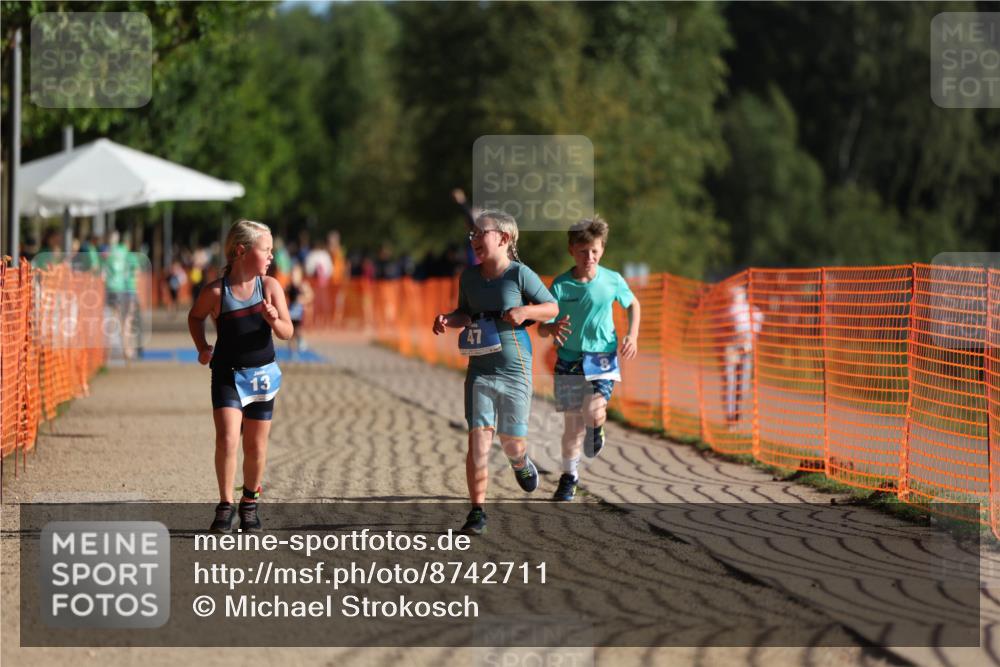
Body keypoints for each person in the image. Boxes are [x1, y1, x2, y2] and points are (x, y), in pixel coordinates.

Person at [432, 210, 559, 535]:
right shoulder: (469, 277)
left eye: (480, 233)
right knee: (478, 442)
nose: (473, 239)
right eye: (471, 235)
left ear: (503, 238)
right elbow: (465, 312)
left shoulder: (519, 274)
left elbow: (552, 307)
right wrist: (448, 319)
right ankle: (477, 511)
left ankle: (520, 462)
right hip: (480, 370)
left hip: (515, 369)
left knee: (511, 442)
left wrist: (525, 311)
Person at [188, 220, 294, 534]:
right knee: (227, 439)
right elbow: (195, 317)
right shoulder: (216, 292)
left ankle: (249, 502)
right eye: (267, 250)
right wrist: (202, 346)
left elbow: (288, 332)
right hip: (227, 374)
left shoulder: (271, 287)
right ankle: (225, 505)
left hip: (262, 376)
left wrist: (274, 321)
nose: (272, 256)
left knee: (256, 447)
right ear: (241, 251)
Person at [538, 216, 641, 502]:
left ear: (602, 250)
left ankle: (597, 428)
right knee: (573, 426)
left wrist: (632, 335)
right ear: (571, 249)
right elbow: (542, 326)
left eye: (595, 251)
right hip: (568, 360)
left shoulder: (612, 280)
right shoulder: (560, 286)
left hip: (601, 358)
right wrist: (551, 328)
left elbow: (633, 303)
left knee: (594, 411)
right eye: (583, 251)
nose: (589, 257)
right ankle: (569, 478)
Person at [723, 284, 763, 426]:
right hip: (734, 347)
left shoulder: (753, 312)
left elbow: (754, 331)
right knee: (732, 382)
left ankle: (735, 415)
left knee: (740, 383)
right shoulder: (732, 310)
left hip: (743, 348)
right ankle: (731, 416)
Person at [286, 262, 314, 356]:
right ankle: (292, 352)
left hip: (298, 313)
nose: (293, 277)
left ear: (300, 276)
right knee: (291, 333)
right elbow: (282, 294)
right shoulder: (289, 286)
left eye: (296, 275)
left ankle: (301, 341)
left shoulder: (302, 286)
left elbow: (310, 295)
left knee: (298, 330)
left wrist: (303, 299)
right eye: (292, 274)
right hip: (290, 312)